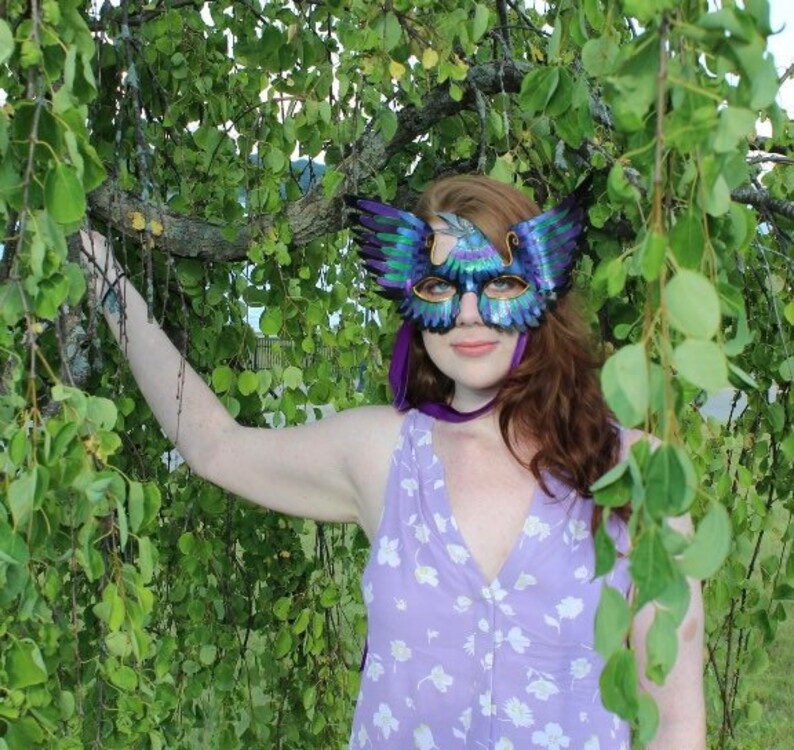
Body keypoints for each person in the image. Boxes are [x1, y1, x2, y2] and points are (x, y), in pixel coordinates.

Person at [80, 174, 705, 750]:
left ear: (541, 284)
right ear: (411, 298)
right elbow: (214, 444)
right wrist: (95, 265)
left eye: (497, 283)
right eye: (440, 287)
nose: (466, 312)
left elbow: (673, 717)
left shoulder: (636, 473)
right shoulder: (382, 455)